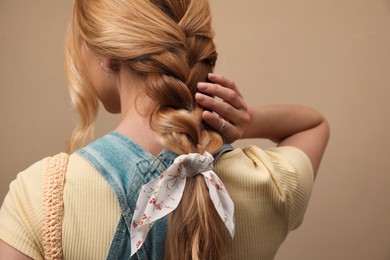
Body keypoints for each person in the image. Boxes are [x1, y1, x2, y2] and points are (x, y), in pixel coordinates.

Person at [0, 0, 329, 259]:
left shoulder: (41, 196)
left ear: (107, 55)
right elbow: (315, 125)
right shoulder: (270, 183)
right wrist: (246, 120)